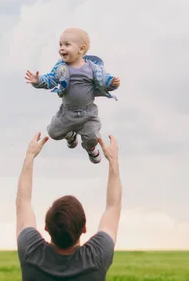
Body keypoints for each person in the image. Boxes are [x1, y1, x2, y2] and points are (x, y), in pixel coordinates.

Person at [16, 131, 122, 280]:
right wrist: (113, 160)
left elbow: (23, 202)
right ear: (84, 228)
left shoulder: (31, 252)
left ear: (46, 227)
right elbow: (113, 207)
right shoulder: (97, 258)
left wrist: (30, 156)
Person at [25, 27, 120, 164]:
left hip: (88, 114)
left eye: (67, 45)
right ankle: (70, 135)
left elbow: (105, 82)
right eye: (60, 44)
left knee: (92, 137)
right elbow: (50, 80)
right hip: (67, 112)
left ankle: (90, 148)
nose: (62, 48)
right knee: (53, 133)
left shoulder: (93, 69)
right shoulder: (61, 68)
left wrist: (113, 84)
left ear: (81, 49)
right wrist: (38, 81)